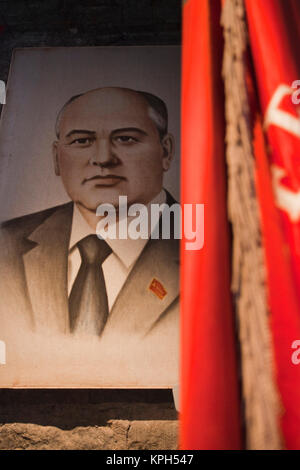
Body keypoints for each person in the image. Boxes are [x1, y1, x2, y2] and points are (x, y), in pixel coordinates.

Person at [0, 87, 179, 385]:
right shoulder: (6, 245)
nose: (103, 158)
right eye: (82, 141)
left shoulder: (220, 248)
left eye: (126, 138)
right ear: (58, 158)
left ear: (166, 151)